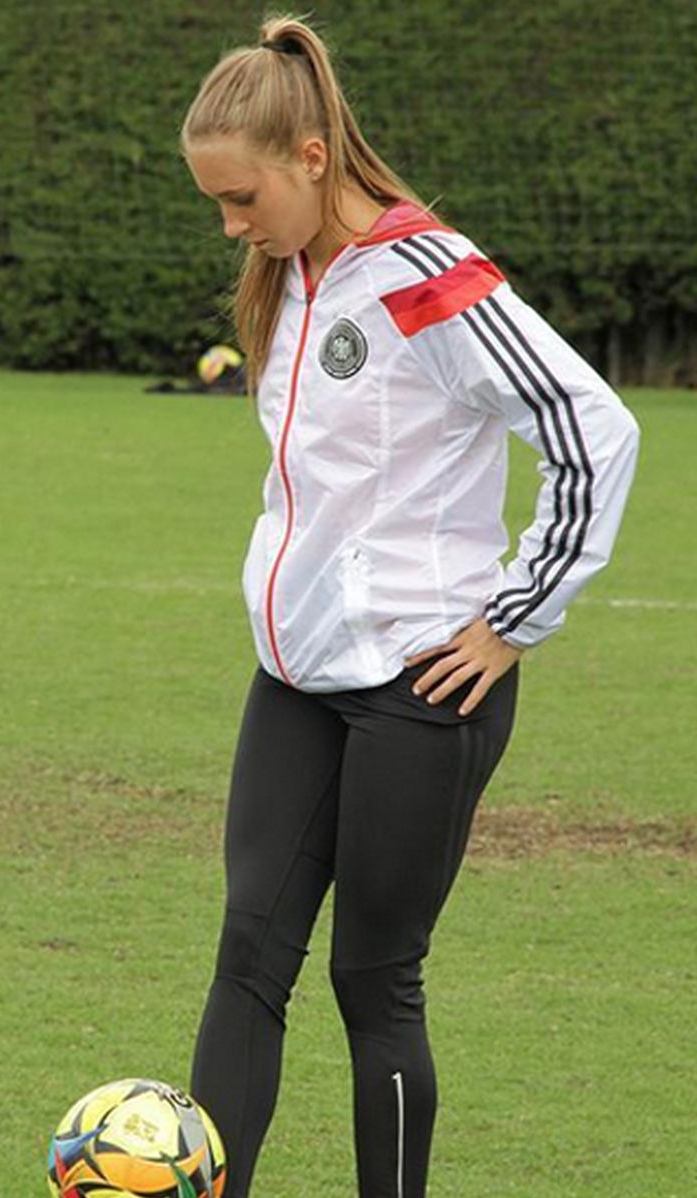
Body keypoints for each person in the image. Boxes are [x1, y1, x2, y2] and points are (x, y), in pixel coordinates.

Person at [180, 15, 638, 1197]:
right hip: (294, 680)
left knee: (371, 980)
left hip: (420, 687)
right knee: (246, 957)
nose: (230, 224)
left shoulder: (429, 275)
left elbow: (594, 429)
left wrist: (513, 615)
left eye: (241, 198)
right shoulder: (290, 279)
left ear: (311, 158)